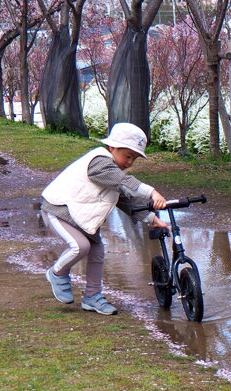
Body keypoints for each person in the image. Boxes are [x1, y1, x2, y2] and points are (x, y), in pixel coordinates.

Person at [41, 122, 168, 315]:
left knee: (97, 252)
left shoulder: (113, 174)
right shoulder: (99, 161)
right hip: (59, 209)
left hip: (81, 217)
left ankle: (92, 296)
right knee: (80, 247)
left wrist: (152, 219)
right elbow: (122, 181)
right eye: (128, 156)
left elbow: (126, 200)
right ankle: (57, 272)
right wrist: (152, 192)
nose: (130, 163)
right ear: (113, 147)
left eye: (134, 159)